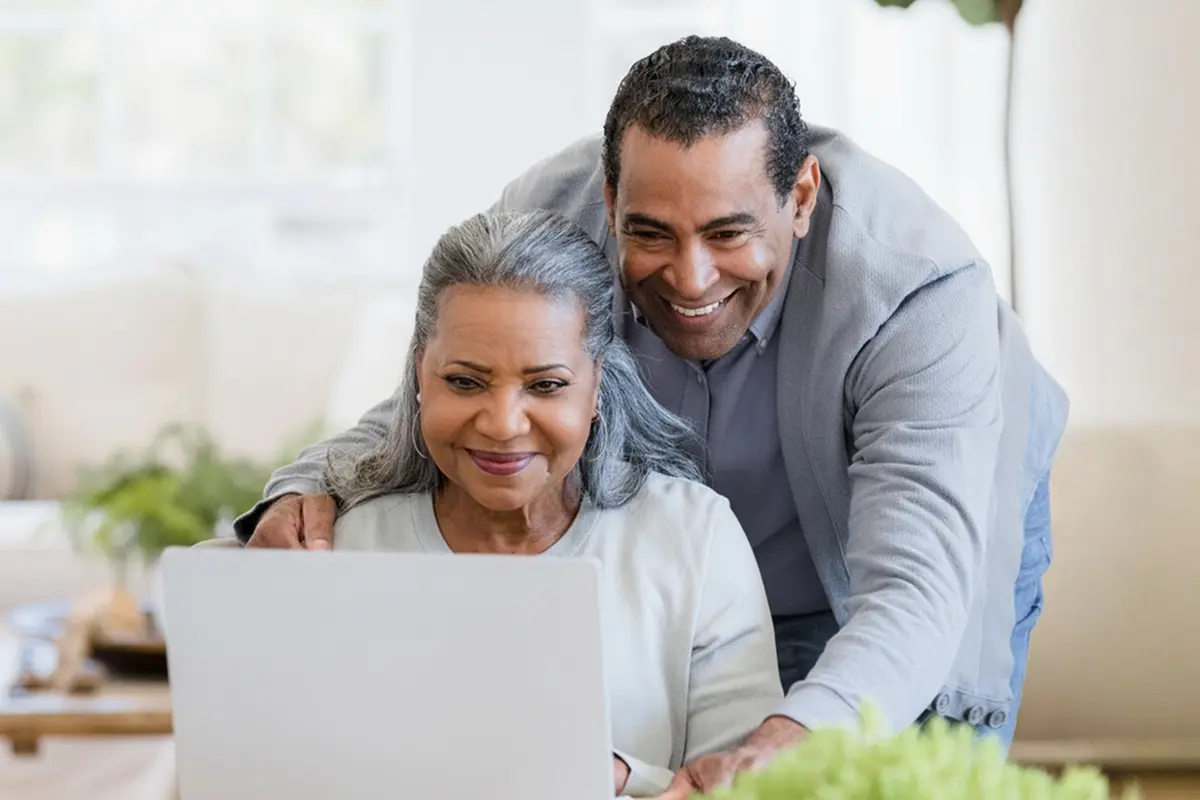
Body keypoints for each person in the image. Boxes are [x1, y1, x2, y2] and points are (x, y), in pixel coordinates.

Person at [236, 35, 1068, 797]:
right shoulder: (548, 216)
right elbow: (444, 388)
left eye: (728, 232)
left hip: (902, 546)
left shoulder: (916, 289)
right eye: (651, 234)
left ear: (802, 196)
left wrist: (789, 737)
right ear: (607, 198)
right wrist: (309, 483)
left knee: (881, 764)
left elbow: (914, 596)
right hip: (706, 562)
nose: (691, 278)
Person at [320, 209, 784, 797]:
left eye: (546, 385)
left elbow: (744, 788)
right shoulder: (342, 549)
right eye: (465, 381)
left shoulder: (693, 539)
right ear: (419, 375)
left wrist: (616, 778)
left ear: (597, 386)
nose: (503, 425)